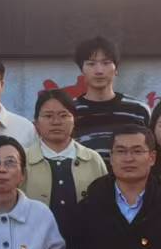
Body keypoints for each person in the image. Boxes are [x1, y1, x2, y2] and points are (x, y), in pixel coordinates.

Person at [23, 87, 106, 217]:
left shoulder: (93, 159)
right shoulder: (22, 159)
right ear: (36, 122)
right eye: (48, 116)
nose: (56, 122)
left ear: (74, 120)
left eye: (63, 115)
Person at [69, 36, 151, 160]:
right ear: (82, 70)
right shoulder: (69, 111)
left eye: (106, 63)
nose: (99, 71)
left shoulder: (138, 110)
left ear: (116, 69)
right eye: (91, 64)